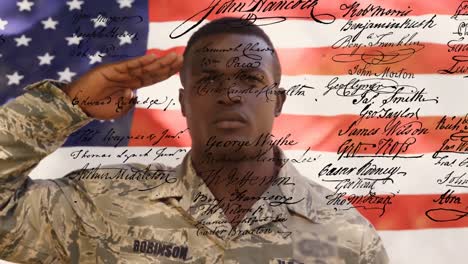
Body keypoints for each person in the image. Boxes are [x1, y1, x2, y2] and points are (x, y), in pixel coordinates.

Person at [0, 17, 389, 263]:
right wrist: (68, 104)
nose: (229, 94)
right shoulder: (101, 204)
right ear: (185, 102)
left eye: (250, 80)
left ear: (278, 101)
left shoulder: (345, 238)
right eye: (208, 81)